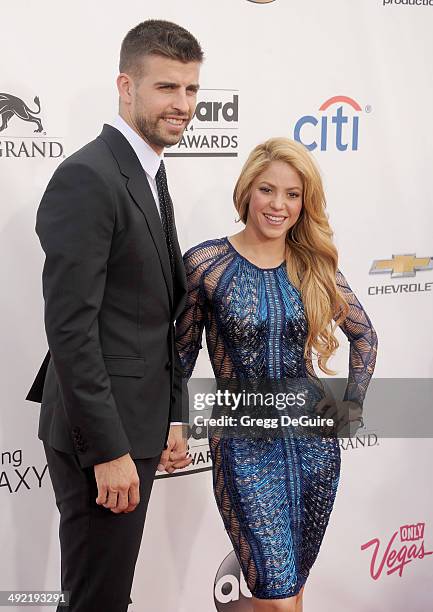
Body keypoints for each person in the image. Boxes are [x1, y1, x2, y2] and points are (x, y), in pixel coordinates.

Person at [25, 19, 203, 612]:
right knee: (97, 600)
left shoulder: (149, 172)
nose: (182, 105)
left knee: (104, 594)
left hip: (139, 423)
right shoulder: (89, 176)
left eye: (191, 90)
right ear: (126, 88)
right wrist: (108, 450)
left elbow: (157, 318)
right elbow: (72, 330)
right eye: (166, 88)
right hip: (101, 436)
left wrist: (174, 416)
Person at [175, 137, 378, 612]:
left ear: (304, 203)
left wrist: (351, 404)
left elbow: (364, 337)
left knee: (294, 590)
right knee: (275, 595)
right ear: (247, 190)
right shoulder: (206, 264)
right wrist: (174, 424)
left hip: (313, 449)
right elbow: (180, 357)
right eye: (268, 190)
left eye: (292, 194)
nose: (279, 205)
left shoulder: (313, 265)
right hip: (243, 446)